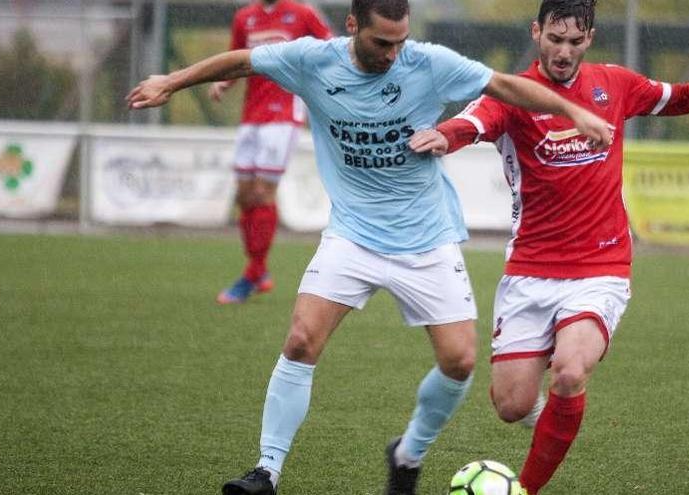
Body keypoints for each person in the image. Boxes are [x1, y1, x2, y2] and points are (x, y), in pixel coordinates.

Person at [126, 1, 614, 494]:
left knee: (460, 362)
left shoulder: (427, 62)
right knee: (300, 340)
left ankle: (408, 452)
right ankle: (266, 471)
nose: (392, 53)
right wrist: (171, 81)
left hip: (426, 238)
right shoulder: (312, 59)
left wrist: (571, 108)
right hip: (352, 236)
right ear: (353, 26)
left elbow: (505, 86)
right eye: (382, 43)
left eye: (400, 41)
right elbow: (241, 61)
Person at [409, 1, 689, 493]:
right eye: (555, 39)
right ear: (537, 32)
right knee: (510, 406)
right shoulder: (516, 94)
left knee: (571, 372)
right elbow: (475, 121)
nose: (564, 51)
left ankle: (526, 489)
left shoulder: (613, 84)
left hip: (601, 265)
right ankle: (547, 396)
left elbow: (678, 97)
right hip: (530, 269)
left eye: (575, 41)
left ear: (589, 38)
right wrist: (444, 137)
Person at [210, 0, 332, 304]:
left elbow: (332, 50)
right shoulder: (245, 18)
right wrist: (224, 83)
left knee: (264, 192)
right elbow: (236, 58)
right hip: (251, 114)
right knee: (243, 195)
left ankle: (253, 273)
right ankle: (258, 270)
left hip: (283, 114)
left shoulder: (302, 13)